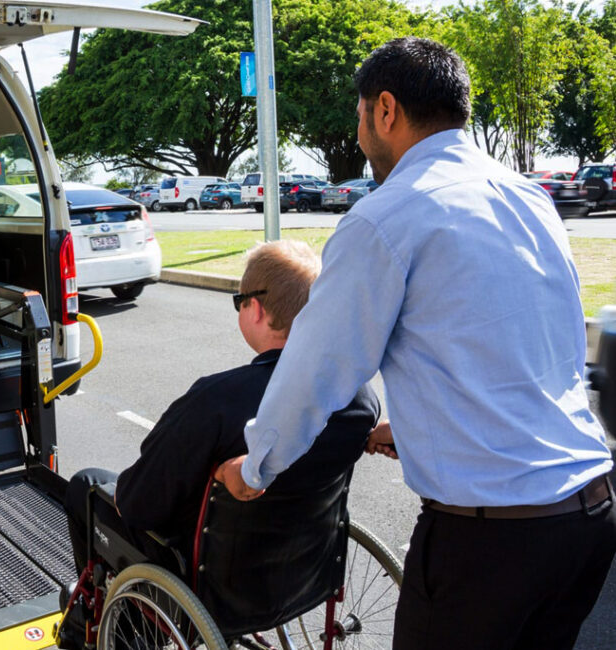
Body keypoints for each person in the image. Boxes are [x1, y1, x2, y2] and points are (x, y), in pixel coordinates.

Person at [216, 37, 616, 649]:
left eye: (357, 117)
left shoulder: (386, 217)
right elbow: (529, 349)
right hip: (587, 516)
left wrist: (255, 468)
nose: (357, 137)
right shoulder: (530, 198)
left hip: (490, 542)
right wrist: (416, 428)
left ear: (385, 109)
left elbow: (315, 370)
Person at [62, 240, 380, 608]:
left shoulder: (215, 400)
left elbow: (137, 506)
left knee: (86, 485)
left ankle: (99, 622)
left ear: (256, 309)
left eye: (238, 301)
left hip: (209, 583)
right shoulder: (358, 396)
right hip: (302, 574)